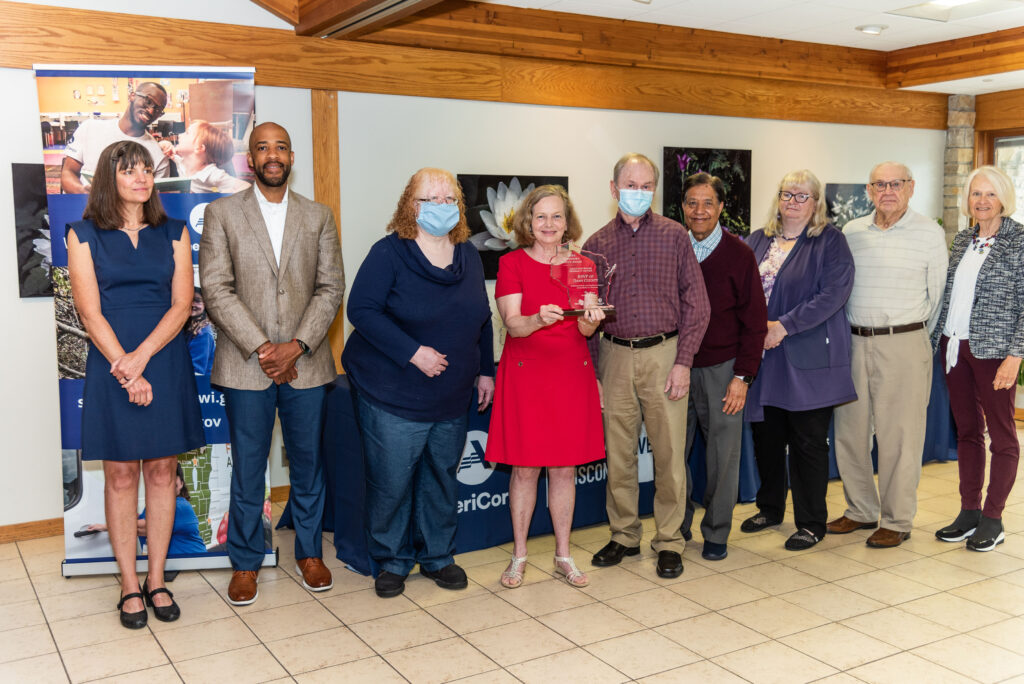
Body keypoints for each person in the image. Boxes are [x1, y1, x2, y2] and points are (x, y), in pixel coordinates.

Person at [199, 122, 345, 605]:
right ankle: (244, 563)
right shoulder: (222, 214)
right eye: (262, 147)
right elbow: (216, 289)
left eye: (280, 147)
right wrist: (265, 347)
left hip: (307, 364)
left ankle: (309, 553)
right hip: (246, 365)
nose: (272, 155)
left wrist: (297, 346)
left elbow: (330, 288)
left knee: (308, 466)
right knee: (248, 469)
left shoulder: (318, 216)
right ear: (250, 160)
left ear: (292, 156)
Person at [67, 140, 204, 628]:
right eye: (130, 171)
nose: (142, 178)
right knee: (121, 474)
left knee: (164, 471)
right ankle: (128, 584)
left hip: (162, 358)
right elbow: (88, 310)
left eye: (147, 169)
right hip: (109, 360)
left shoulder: (174, 232)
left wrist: (140, 359)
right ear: (110, 178)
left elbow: (182, 304)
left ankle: (157, 578)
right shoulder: (82, 234)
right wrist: (124, 366)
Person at [342, 167, 495, 599]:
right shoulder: (389, 253)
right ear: (413, 205)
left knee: (442, 478)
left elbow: (480, 318)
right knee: (392, 483)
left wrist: (486, 371)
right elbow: (362, 310)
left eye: (450, 200)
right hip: (393, 393)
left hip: (451, 394)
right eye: (432, 199)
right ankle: (392, 561)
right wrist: (414, 352)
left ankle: (438, 557)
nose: (442, 207)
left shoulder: (467, 254)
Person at [583, 153, 710, 579]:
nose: (638, 192)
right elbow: (587, 315)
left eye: (646, 185)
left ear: (654, 189)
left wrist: (683, 362)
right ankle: (623, 534)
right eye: (630, 185)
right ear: (614, 189)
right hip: (614, 355)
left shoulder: (675, 236)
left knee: (670, 454)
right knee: (618, 455)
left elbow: (698, 304)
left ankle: (670, 541)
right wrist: (596, 374)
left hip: (664, 354)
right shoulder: (596, 245)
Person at [485, 185, 605, 589]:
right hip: (527, 374)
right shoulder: (512, 264)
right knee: (523, 470)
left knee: (564, 470)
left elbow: (586, 327)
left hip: (571, 373)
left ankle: (563, 556)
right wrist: (539, 318)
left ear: (567, 222)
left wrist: (591, 318)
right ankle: (519, 556)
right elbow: (513, 324)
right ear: (527, 223)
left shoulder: (584, 264)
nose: (549, 224)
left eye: (557, 217)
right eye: (541, 217)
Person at [830, 162, 948, 548]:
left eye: (895, 184)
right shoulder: (851, 232)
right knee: (850, 432)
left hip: (904, 343)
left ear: (910, 188)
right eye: (880, 184)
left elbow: (936, 297)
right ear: (869, 190)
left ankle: (897, 519)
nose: (887, 191)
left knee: (901, 437)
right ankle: (861, 510)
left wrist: (909, 339)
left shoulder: (930, 234)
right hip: (852, 342)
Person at [741, 170, 855, 551]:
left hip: (808, 355)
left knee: (807, 441)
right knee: (767, 436)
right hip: (764, 358)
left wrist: (784, 326)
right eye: (787, 193)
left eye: (802, 195)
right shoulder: (757, 240)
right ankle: (770, 508)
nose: (793, 201)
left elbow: (833, 294)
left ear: (816, 203)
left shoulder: (830, 242)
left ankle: (810, 522)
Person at [933, 165, 1024, 551]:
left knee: (1002, 437)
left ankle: (993, 518)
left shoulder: (1019, 240)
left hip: (994, 352)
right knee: (967, 432)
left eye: (989, 194)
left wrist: (1015, 356)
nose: (982, 201)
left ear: (1003, 198)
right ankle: (969, 511)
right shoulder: (962, 240)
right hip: (955, 348)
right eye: (975, 194)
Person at [679, 173, 767, 561]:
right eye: (692, 203)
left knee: (722, 458)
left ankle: (716, 533)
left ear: (720, 208)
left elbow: (754, 323)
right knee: (671, 456)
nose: (700, 211)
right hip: (675, 368)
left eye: (708, 203)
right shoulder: (672, 247)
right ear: (682, 208)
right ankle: (674, 529)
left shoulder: (740, 255)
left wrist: (742, 377)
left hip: (723, 370)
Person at [62, 82, 171, 193]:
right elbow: (68, 173)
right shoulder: (90, 128)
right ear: (132, 96)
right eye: (148, 101)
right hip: (85, 206)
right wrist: (83, 192)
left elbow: (158, 200)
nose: (151, 111)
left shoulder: (159, 156)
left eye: (158, 109)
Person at [89, 462, 207, 556]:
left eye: (172, 479)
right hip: (174, 565)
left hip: (193, 563)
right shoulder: (155, 505)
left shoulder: (180, 506)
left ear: (181, 483)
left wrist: (105, 526)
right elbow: (144, 520)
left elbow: (146, 527)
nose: (166, 483)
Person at [168, 120, 250, 194]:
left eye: (187, 133)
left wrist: (226, 195)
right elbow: (166, 151)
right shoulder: (181, 162)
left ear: (199, 148)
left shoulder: (211, 174)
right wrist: (164, 145)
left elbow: (247, 187)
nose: (180, 135)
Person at [188, 288, 215, 376]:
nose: (192, 304)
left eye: (197, 301)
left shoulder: (203, 333)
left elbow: (197, 370)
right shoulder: (188, 327)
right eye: (189, 299)